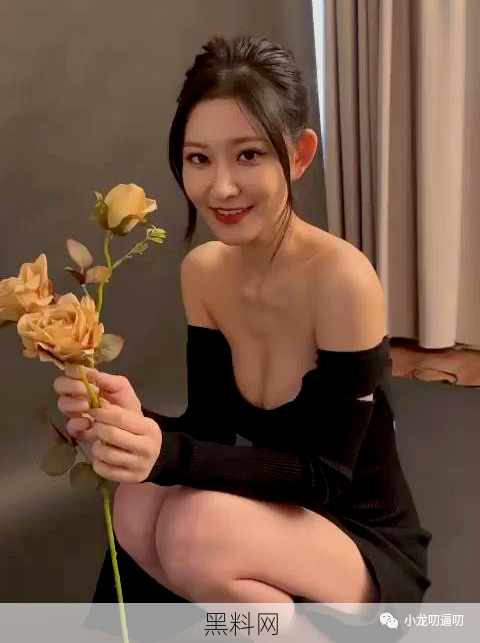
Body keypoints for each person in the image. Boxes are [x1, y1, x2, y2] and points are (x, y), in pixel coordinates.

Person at [53, 34, 431, 639]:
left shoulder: (343, 280)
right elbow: (208, 432)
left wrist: (165, 453)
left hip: (355, 538)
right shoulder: (204, 272)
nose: (221, 188)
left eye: (249, 155)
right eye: (199, 159)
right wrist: (129, 421)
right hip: (270, 518)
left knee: (195, 529)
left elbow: (326, 475)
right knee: (136, 501)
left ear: (299, 155)